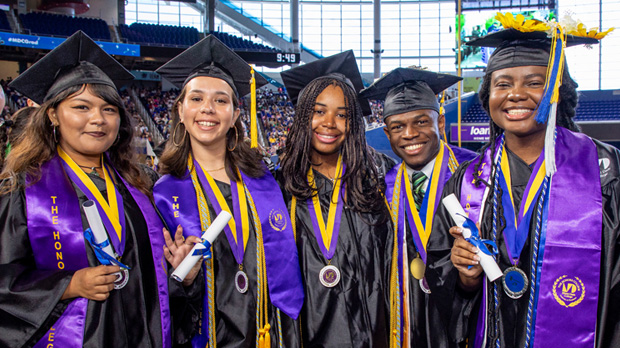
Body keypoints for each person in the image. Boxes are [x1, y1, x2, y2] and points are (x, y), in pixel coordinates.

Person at [425, 14, 619, 348]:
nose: (516, 94)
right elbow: (443, 277)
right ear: (487, 97)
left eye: (533, 82)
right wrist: (465, 278)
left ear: (558, 91)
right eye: (502, 84)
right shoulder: (467, 181)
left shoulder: (602, 170)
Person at [0, 31, 200, 348]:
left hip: (141, 335)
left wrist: (183, 274)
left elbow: (153, 281)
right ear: (53, 114)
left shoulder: (139, 182)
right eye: (81, 107)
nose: (98, 119)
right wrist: (67, 285)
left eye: (109, 109)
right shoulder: (23, 188)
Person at [153, 35, 304, 348]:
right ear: (180, 110)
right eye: (196, 99)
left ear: (236, 114)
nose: (208, 108)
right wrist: (184, 277)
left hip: (272, 331)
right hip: (208, 335)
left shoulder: (264, 181)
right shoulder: (163, 195)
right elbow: (157, 296)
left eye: (221, 100)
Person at [278, 50, 393, 348]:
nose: (330, 122)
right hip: (306, 334)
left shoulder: (379, 179)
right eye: (318, 111)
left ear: (354, 122)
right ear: (303, 116)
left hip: (375, 334)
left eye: (342, 114)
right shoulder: (279, 187)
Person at [360, 67, 476, 347]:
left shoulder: (476, 174)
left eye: (421, 122)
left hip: (465, 318)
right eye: (398, 126)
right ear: (387, 134)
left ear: (440, 123)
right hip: (404, 320)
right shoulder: (381, 186)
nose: (409, 134)